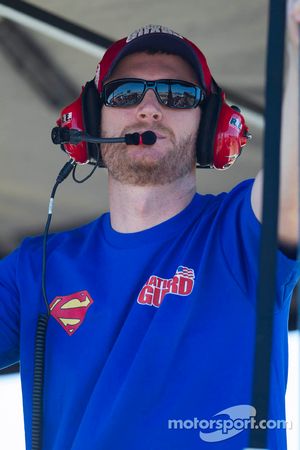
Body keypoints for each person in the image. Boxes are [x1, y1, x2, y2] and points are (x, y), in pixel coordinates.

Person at [1, 2, 300, 449]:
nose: (149, 108)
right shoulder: (36, 265)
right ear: (88, 120)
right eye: (125, 93)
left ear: (211, 127)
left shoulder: (237, 233)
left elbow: (291, 192)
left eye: (177, 94)